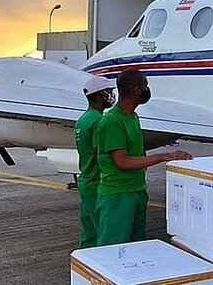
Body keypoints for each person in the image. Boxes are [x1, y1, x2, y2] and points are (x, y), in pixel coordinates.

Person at [94, 68, 192, 246]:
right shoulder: (112, 121)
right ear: (134, 89)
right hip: (118, 195)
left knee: (136, 244)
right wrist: (165, 156)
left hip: (136, 191)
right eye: (144, 85)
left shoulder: (132, 117)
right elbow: (122, 161)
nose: (147, 89)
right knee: (113, 248)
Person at [74, 76, 115, 248]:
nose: (112, 96)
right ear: (98, 95)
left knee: (89, 231)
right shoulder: (99, 121)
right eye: (109, 92)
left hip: (86, 180)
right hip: (98, 182)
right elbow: (105, 154)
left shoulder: (82, 120)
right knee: (103, 233)